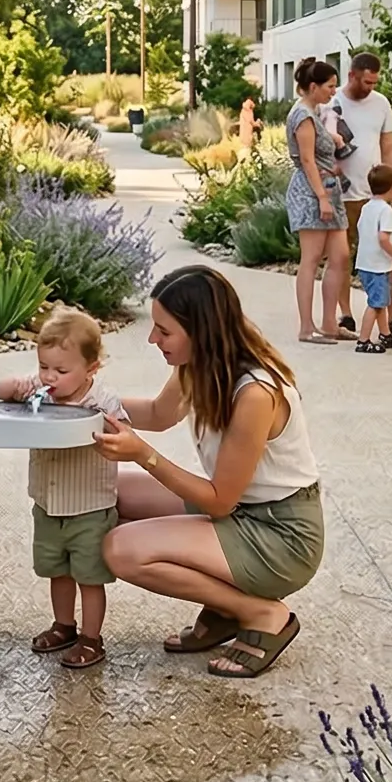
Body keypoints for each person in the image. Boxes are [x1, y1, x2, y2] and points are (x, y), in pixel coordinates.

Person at [93, 264, 323, 680]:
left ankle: (258, 612)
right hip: (242, 511)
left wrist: (143, 454)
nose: (152, 339)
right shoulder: (200, 363)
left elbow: (220, 499)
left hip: (279, 536)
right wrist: (86, 404)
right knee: (105, 492)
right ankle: (224, 607)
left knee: (121, 549)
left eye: (164, 331)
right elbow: (159, 414)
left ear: (201, 331)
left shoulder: (255, 392)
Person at [0, 308, 121, 670]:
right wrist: (22, 386)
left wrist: (103, 435)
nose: (50, 376)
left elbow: (123, 436)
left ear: (91, 368)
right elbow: (1, 391)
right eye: (44, 366)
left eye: (61, 371)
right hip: (48, 504)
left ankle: (92, 639)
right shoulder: (40, 391)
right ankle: (64, 625)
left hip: (89, 507)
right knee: (57, 572)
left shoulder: (101, 402)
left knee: (90, 578)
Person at [326, 52, 392, 340]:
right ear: (352, 75)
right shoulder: (332, 102)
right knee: (343, 256)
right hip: (344, 194)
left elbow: (388, 146)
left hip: (377, 193)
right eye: (366, 81)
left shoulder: (381, 103)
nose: (370, 87)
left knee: (387, 252)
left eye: (375, 82)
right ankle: (347, 314)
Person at [281, 59, 352, 346]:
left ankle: (328, 323)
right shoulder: (303, 116)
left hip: (329, 189)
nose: (333, 92)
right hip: (313, 192)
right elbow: (307, 159)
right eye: (330, 86)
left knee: (340, 256)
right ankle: (306, 327)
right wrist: (322, 197)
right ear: (313, 87)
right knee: (310, 259)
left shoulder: (314, 112)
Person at [352, 163, 392, 354]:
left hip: (365, 264)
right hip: (377, 266)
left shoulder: (367, 207)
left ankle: (385, 335)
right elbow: (383, 238)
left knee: (380, 301)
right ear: (391, 189)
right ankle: (363, 341)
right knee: (375, 304)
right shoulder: (386, 211)